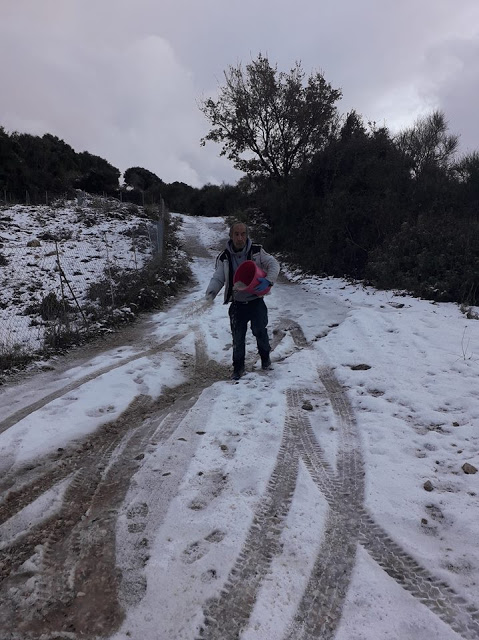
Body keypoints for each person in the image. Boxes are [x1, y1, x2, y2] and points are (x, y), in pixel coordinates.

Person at [205, 221, 280, 380]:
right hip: (237, 304)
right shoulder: (224, 257)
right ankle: (238, 369)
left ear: (247, 235)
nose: (240, 238)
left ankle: (265, 360)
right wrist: (211, 293)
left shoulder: (257, 251)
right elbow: (218, 277)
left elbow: (274, 264)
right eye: (236, 234)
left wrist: (269, 280)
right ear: (231, 236)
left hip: (256, 301)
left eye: (243, 234)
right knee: (238, 338)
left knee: (260, 331)